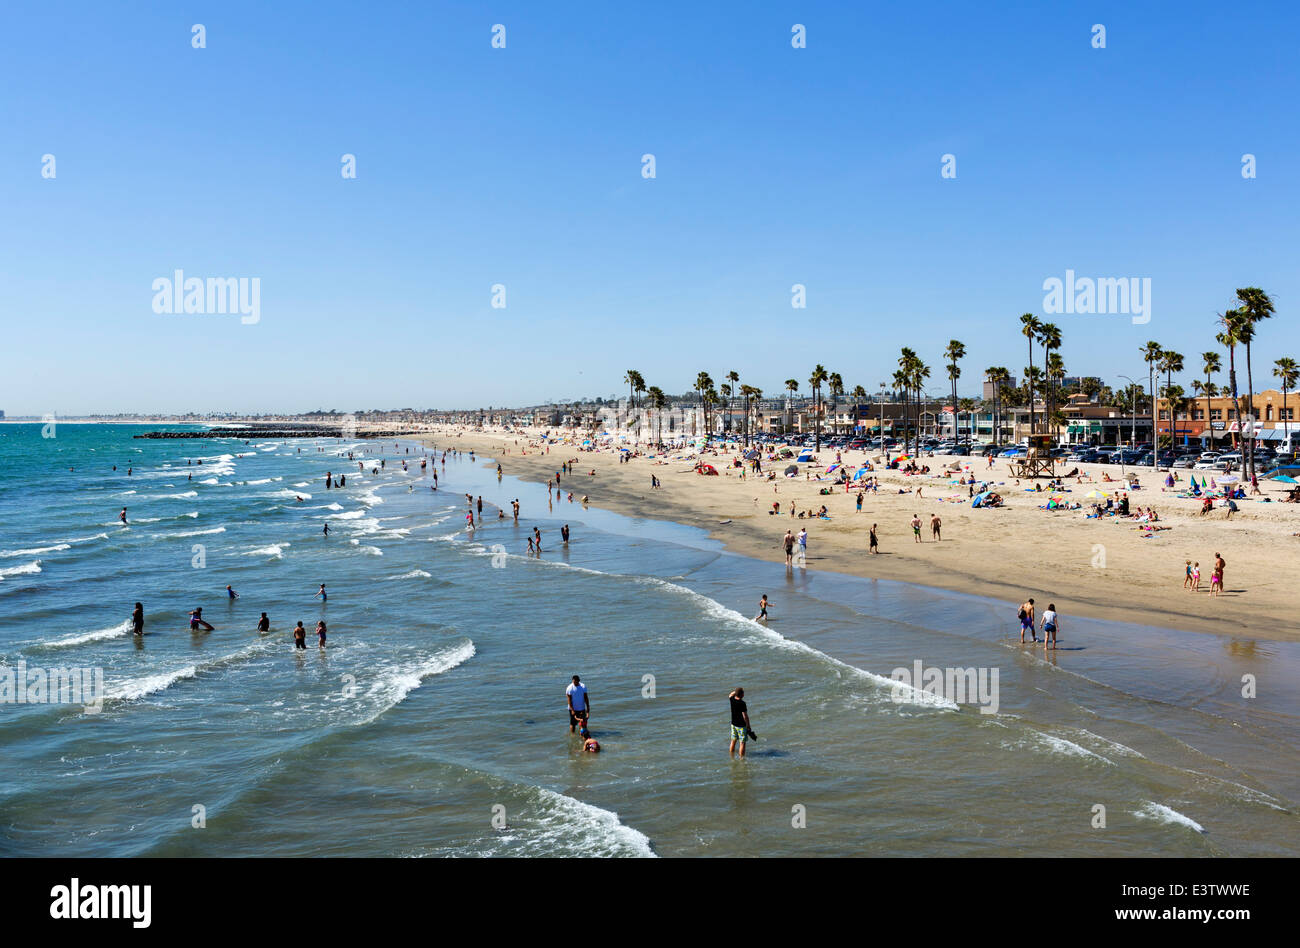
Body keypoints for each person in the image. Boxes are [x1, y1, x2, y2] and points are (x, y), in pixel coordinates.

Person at [728, 688, 754, 758]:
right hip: (741, 726)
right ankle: (741, 759)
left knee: (733, 740)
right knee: (742, 743)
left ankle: (731, 755)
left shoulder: (732, 700)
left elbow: (730, 694)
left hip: (733, 724)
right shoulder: (742, 703)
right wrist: (748, 726)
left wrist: (736, 692)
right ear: (742, 695)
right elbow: (745, 716)